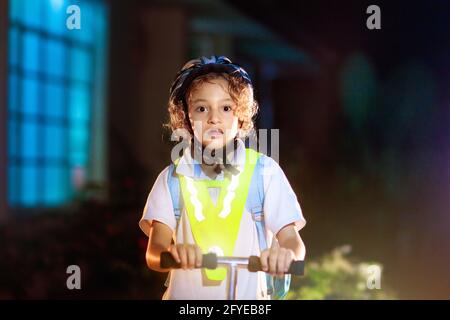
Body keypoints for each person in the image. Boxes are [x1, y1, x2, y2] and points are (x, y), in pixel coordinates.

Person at [139, 55, 306, 300]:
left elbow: (292, 241)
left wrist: (286, 256)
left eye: (226, 108)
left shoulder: (264, 173)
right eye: (201, 108)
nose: (213, 118)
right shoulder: (171, 179)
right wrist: (172, 254)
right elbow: (154, 252)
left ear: (241, 117)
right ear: (187, 119)